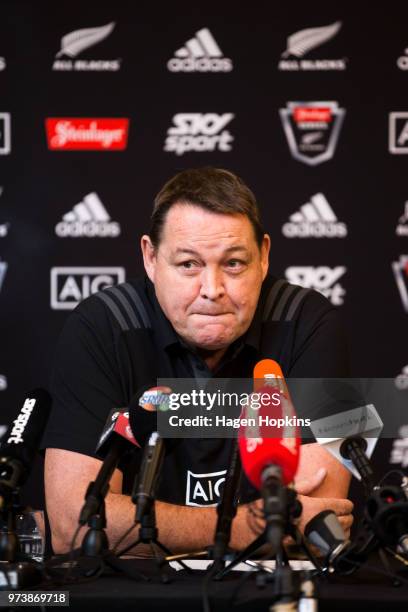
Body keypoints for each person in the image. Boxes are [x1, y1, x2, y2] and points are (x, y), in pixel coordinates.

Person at [43, 167, 353, 555]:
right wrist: (239, 528)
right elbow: (74, 524)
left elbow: (317, 523)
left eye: (234, 263)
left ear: (264, 257)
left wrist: (143, 524)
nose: (212, 290)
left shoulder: (308, 322)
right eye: (188, 264)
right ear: (151, 257)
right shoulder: (102, 326)